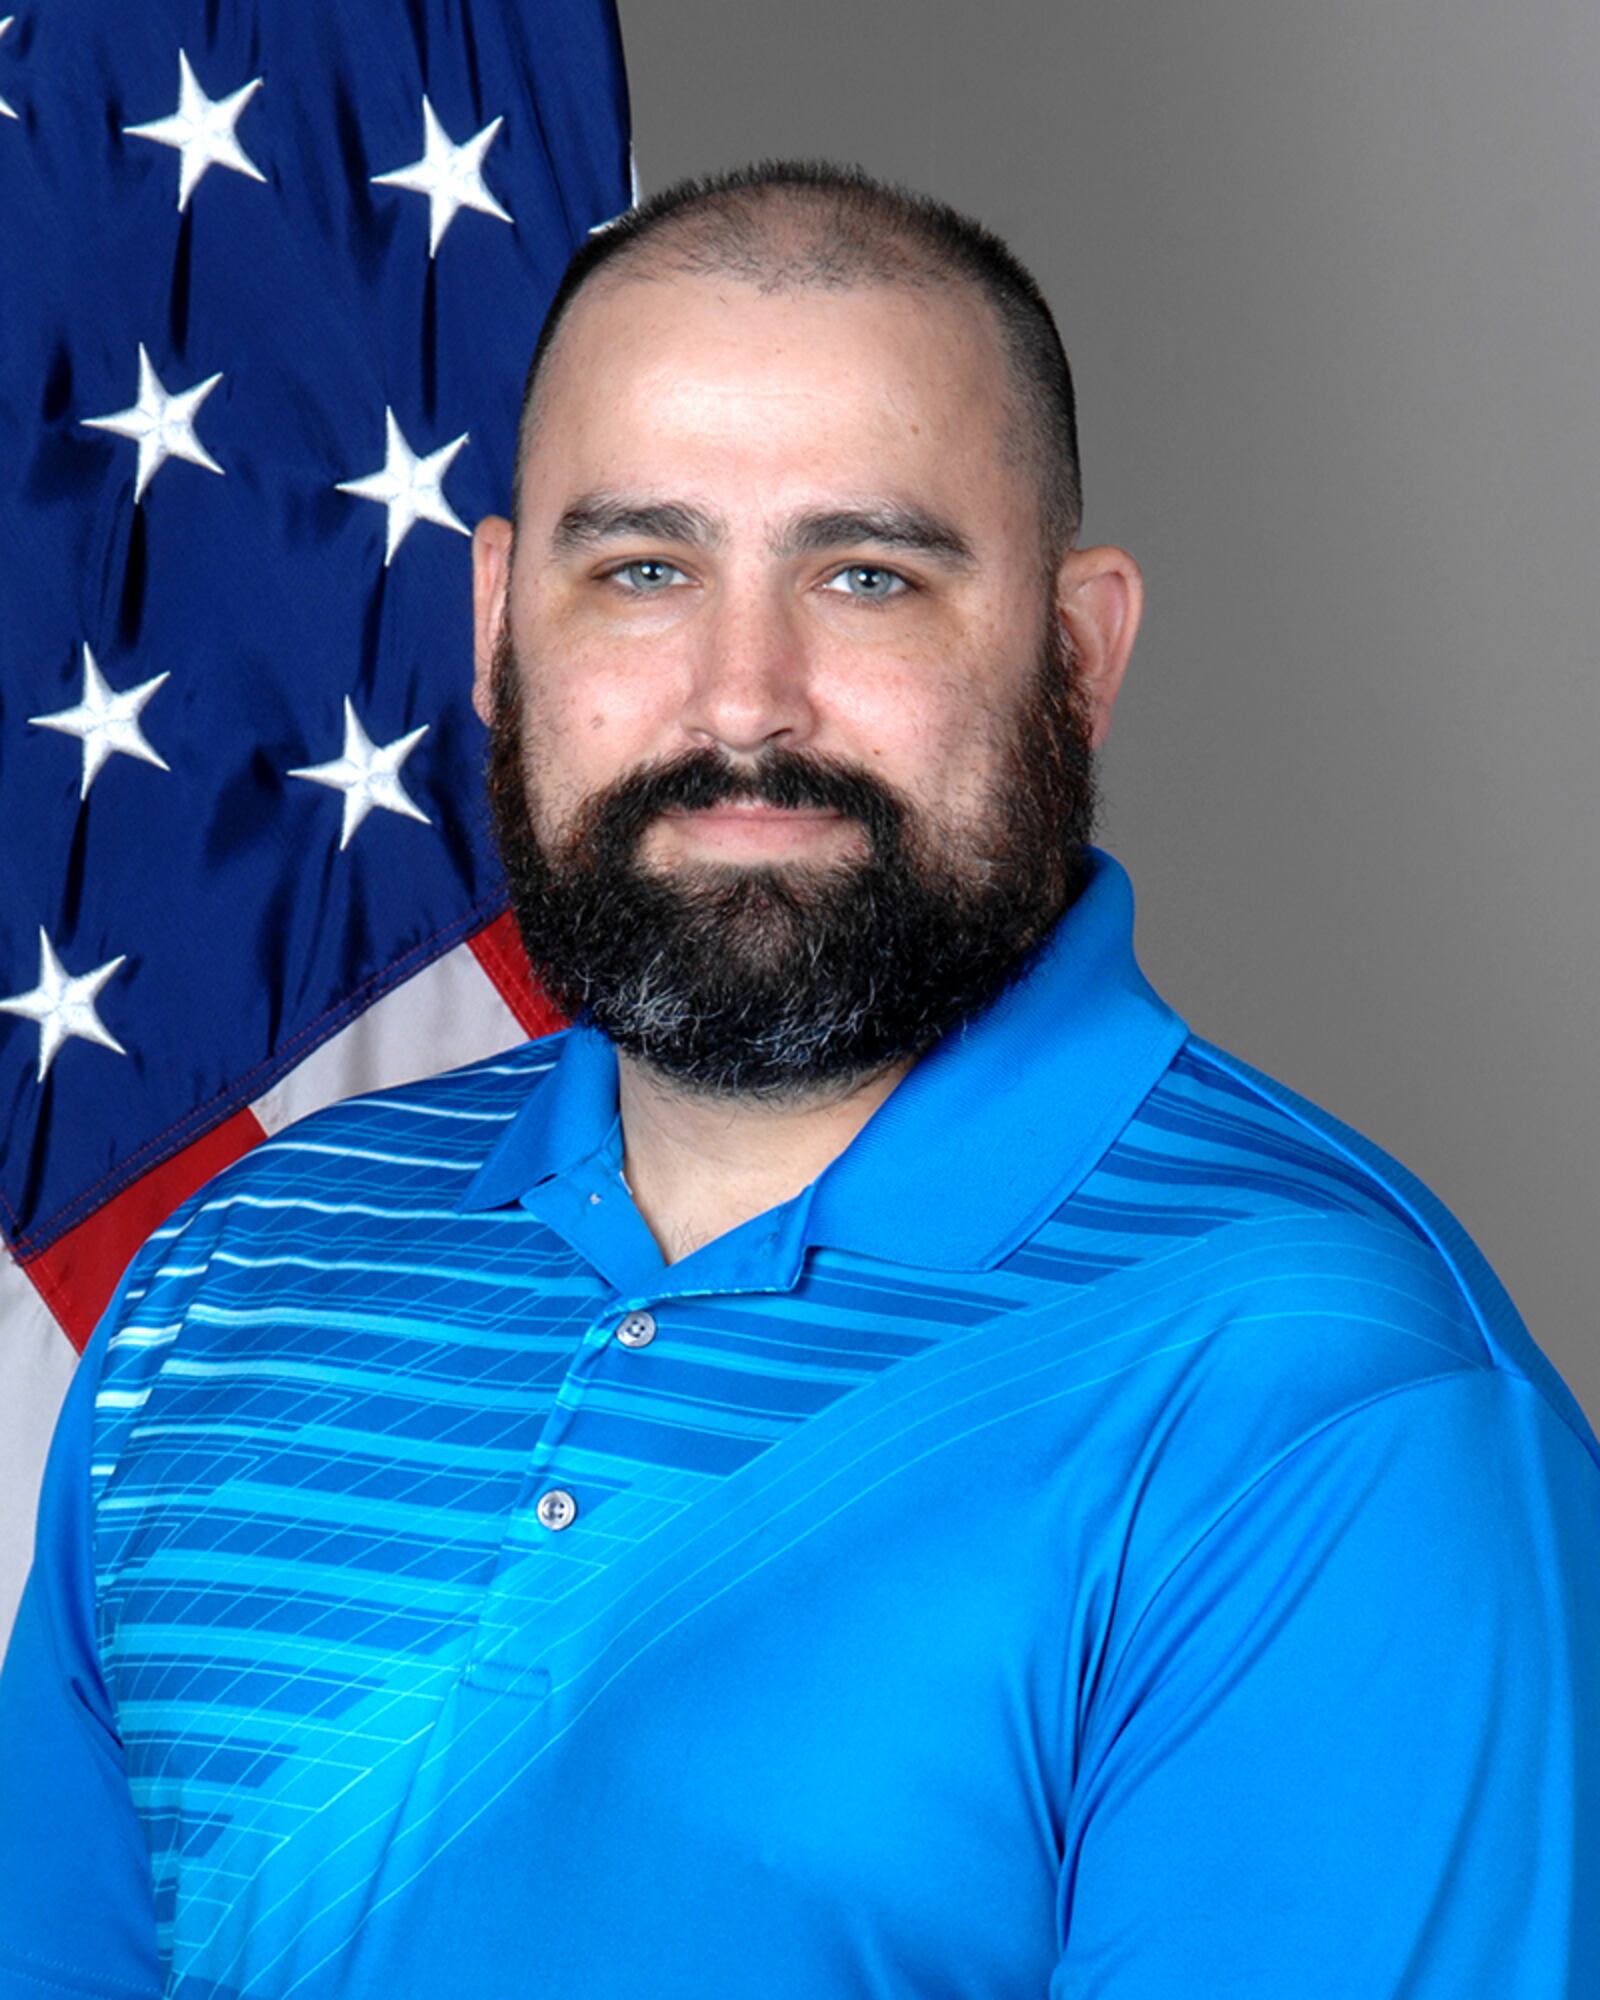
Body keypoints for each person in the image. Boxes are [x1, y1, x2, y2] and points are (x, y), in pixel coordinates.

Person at [0, 160, 1595, 2000]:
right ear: (503, 621)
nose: (743, 701)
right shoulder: (235, 1277)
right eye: (646, 569)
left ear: (1076, 656)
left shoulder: (1321, 1401)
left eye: (866, 574)